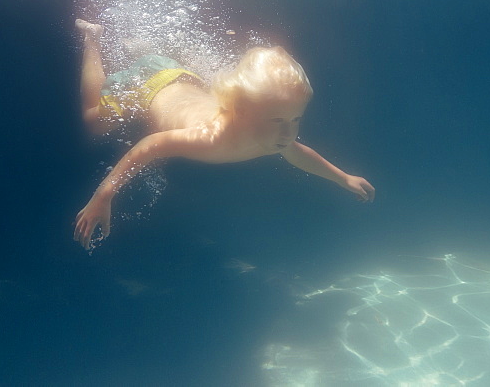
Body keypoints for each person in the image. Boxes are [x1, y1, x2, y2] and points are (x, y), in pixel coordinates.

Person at [74, 19, 375, 249]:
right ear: (239, 110)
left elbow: (298, 153)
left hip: (181, 77)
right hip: (150, 84)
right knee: (94, 121)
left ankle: (143, 47)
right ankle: (92, 39)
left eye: (296, 118)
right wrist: (104, 195)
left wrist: (343, 178)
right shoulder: (209, 138)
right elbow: (148, 146)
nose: (288, 132)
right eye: (277, 120)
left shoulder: (272, 137)